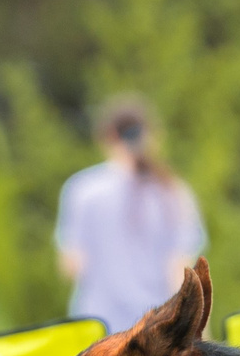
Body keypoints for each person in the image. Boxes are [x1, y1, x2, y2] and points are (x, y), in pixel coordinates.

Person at [55, 97, 206, 334]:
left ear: (107, 136)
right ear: (152, 135)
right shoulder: (173, 191)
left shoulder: (81, 189)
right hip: (153, 333)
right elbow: (180, 273)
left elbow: (72, 265)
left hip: (96, 331)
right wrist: (198, 334)